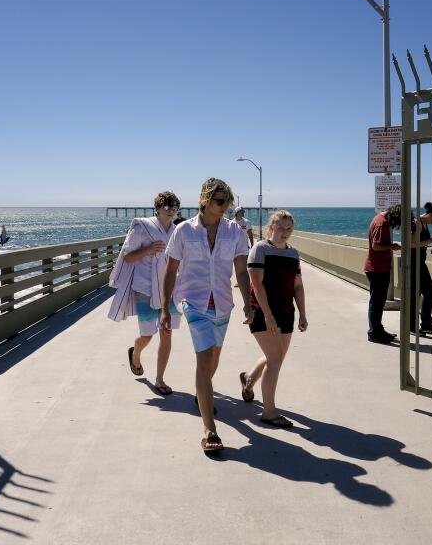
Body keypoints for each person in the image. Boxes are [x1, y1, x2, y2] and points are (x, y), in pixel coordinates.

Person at [161, 178, 252, 454]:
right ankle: (209, 429)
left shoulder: (234, 231)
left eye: (228, 201)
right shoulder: (184, 231)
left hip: (223, 303)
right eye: (220, 201)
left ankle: (202, 391)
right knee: (204, 358)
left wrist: (249, 304)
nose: (225, 206)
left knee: (213, 358)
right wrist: (165, 307)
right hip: (193, 302)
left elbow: (241, 271)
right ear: (205, 200)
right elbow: (171, 270)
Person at [108, 191, 182, 396]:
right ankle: (135, 353)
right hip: (145, 288)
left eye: (174, 208)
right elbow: (128, 258)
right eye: (166, 207)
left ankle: (160, 380)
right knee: (148, 335)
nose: (170, 211)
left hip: (170, 289)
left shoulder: (177, 231)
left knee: (167, 333)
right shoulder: (143, 228)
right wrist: (148, 250)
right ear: (157, 208)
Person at [239, 210, 307, 427]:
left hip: (287, 313)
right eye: (280, 228)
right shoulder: (260, 249)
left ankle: (249, 381)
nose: (284, 232)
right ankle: (269, 412)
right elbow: (256, 285)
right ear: (271, 228)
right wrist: (267, 315)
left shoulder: (293, 253)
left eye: (289, 229)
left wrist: (303, 313)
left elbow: (297, 285)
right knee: (275, 358)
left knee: (275, 358)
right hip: (262, 312)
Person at [365, 204, 402, 344]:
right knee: (376, 303)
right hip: (377, 269)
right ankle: (374, 333)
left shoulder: (379, 218)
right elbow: (376, 245)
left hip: (378, 268)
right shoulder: (382, 223)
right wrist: (392, 246)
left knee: (378, 302)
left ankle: (378, 330)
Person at [408, 203, 432, 337]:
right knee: (414, 295)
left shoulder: (424, 223)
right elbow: (412, 243)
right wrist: (431, 240)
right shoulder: (417, 222)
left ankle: (426, 324)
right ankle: (412, 327)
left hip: (420, 262)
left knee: (429, 291)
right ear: (431, 215)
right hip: (413, 262)